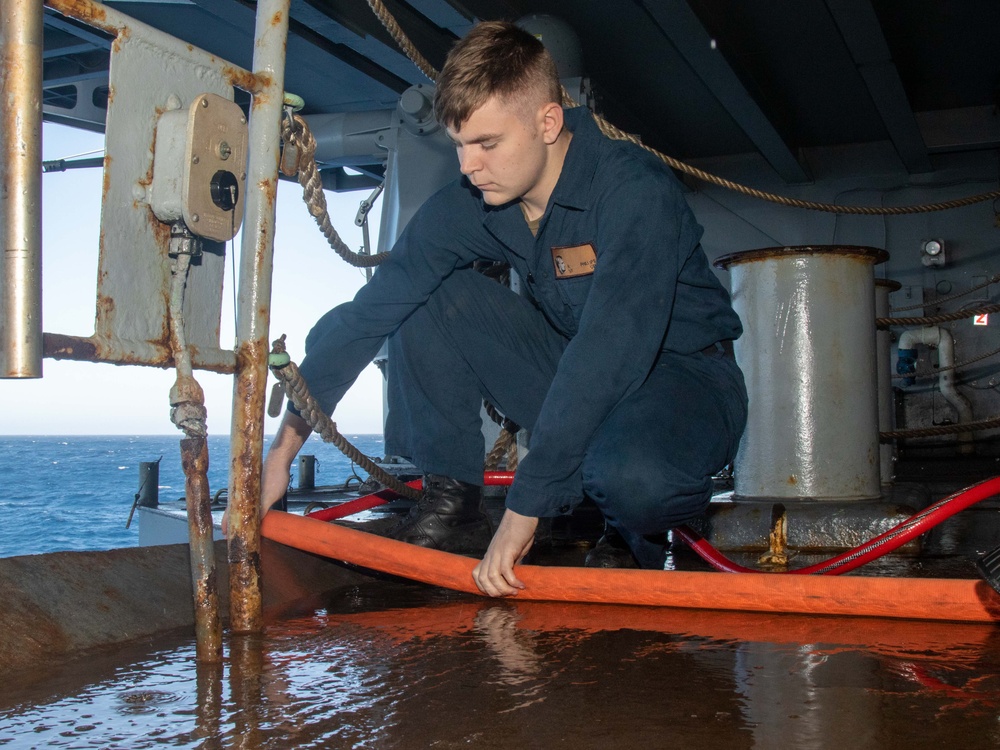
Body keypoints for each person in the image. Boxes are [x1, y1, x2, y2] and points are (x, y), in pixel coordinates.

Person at [249, 21, 747, 597]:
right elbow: (372, 313)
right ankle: (454, 509)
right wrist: (282, 452)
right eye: (460, 144)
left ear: (548, 122)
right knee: (425, 293)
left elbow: (612, 351)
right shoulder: (477, 202)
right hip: (573, 365)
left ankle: (641, 528)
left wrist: (523, 511)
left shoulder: (633, 190)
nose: (468, 165)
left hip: (685, 379)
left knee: (634, 478)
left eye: (487, 143)